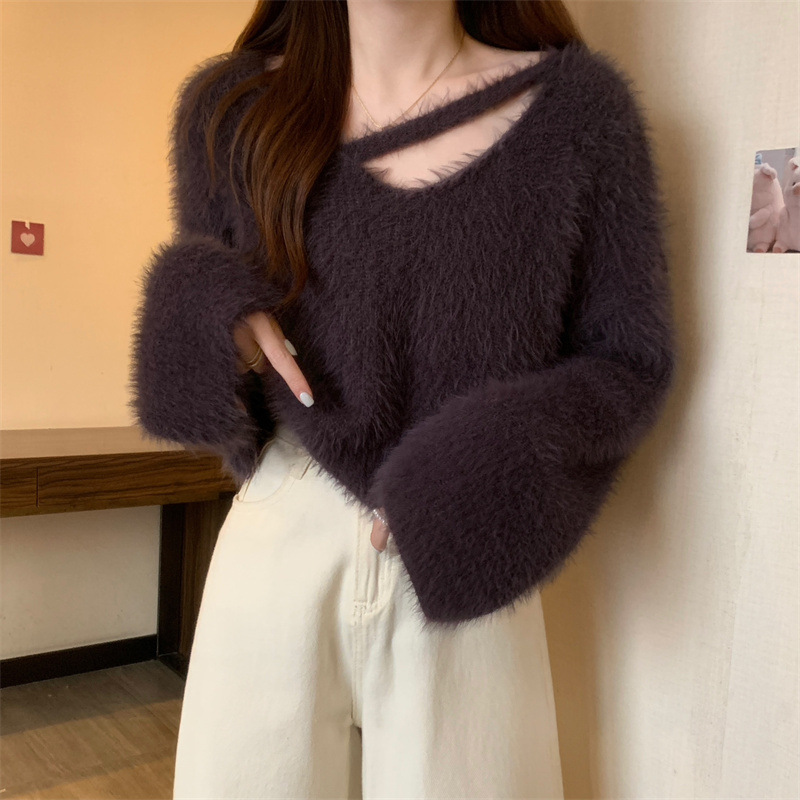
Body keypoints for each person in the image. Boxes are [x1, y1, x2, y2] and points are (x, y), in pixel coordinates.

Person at [129, 0, 677, 797]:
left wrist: (479, 462)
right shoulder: (233, 109)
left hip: (468, 555)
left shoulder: (578, 112)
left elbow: (628, 360)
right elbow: (194, 343)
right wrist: (207, 309)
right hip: (279, 544)